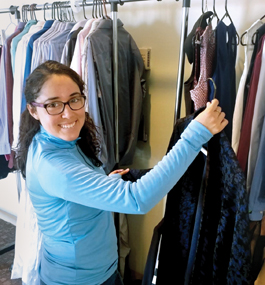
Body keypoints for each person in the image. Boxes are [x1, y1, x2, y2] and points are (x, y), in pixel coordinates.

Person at [15, 60, 228, 285]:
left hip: (100, 270)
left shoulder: (57, 141)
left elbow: (73, 193)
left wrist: (105, 182)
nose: (68, 114)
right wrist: (196, 134)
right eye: (53, 104)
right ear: (33, 110)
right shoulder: (52, 165)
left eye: (74, 100)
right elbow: (137, 199)